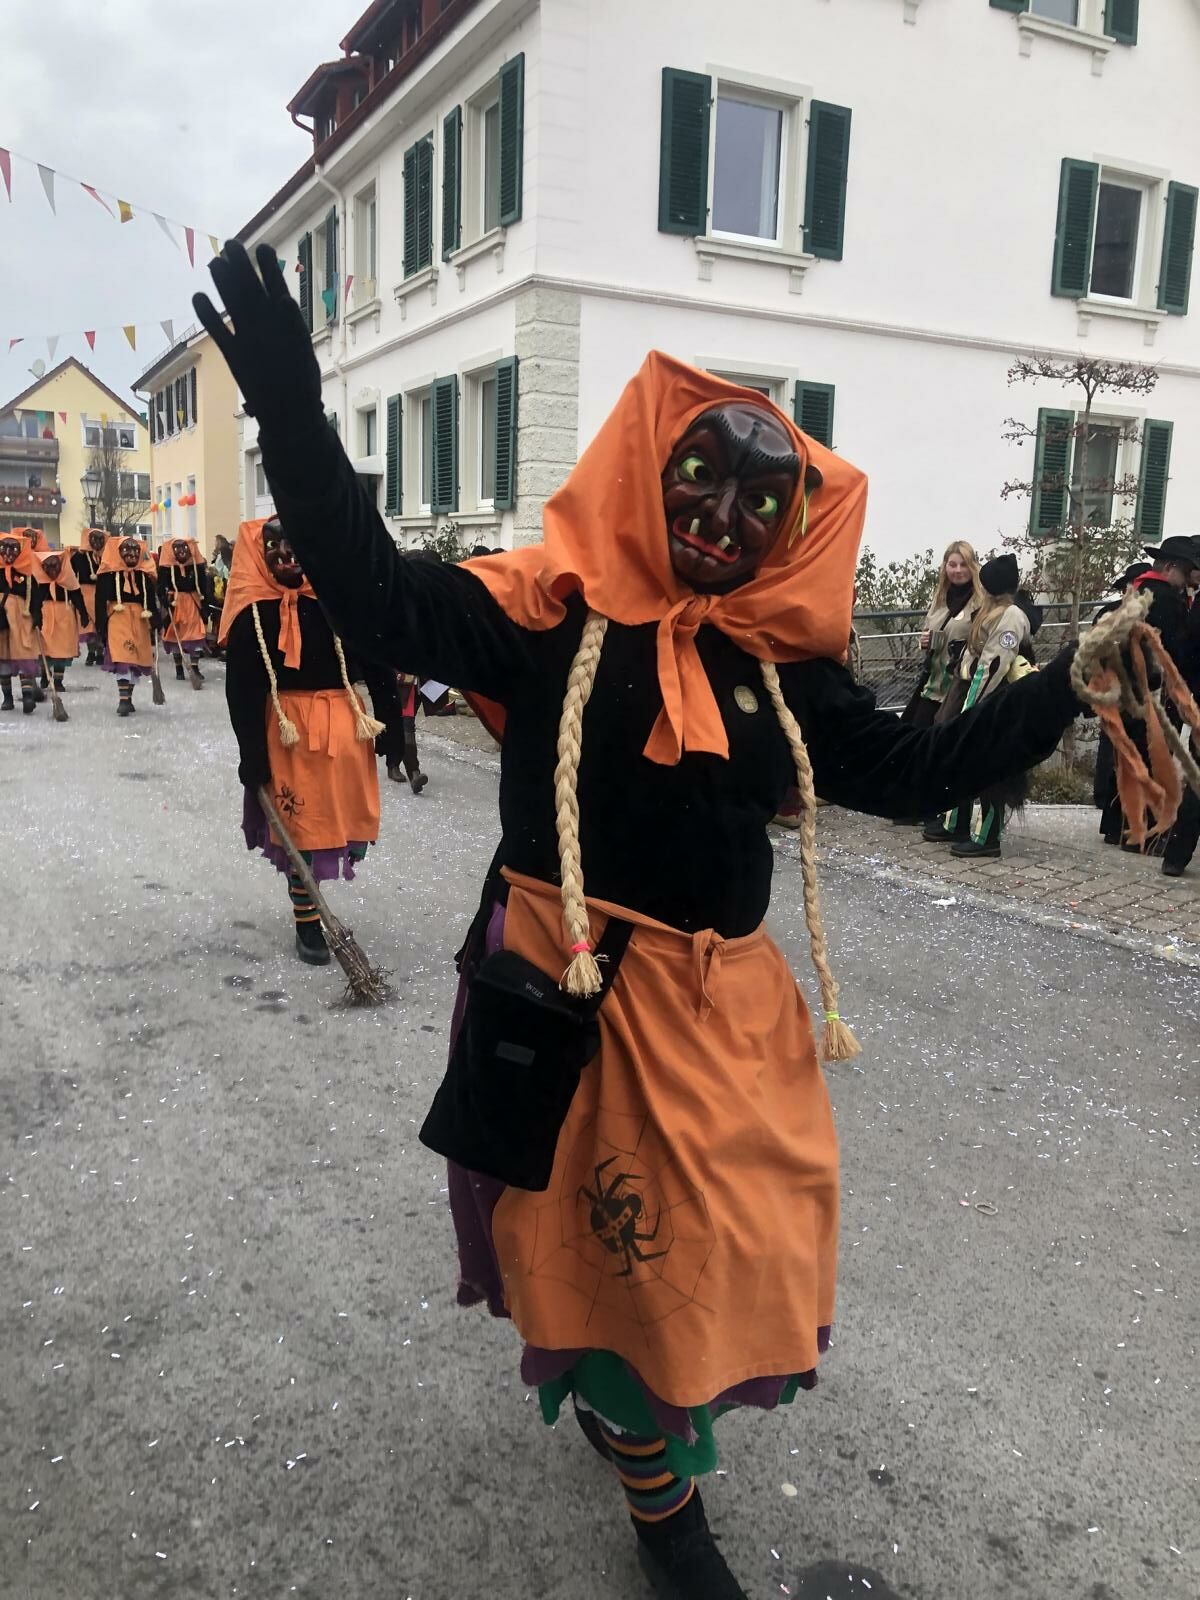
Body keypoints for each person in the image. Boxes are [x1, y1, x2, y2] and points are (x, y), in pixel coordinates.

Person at [196, 244, 1091, 1600]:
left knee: (734, 1246)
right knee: (617, 1267)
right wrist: (291, 416)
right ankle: (664, 1509)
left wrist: (1069, 682)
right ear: (645, 467)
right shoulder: (543, 612)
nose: (725, 515)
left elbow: (918, 770)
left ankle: (635, 1416)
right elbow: (377, 594)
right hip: (570, 1005)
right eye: (701, 475)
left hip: (723, 1027)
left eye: (761, 497)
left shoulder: (778, 669)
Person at [219, 516, 384, 966]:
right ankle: (308, 921)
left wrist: (389, 714)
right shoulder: (255, 613)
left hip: (343, 730)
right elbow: (242, 689)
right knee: (302, 830)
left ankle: (313, 900)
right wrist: (252, 754)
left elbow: (374, 654)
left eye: (294, 542)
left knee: (336, 826)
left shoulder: (336, 601)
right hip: (288, 734)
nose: (284, 553)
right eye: (272, 545)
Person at [923, 553, 1031, 858]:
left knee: (989, 769)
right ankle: (955, 820)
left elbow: (994, 664)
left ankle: (988, 837)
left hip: (993, 700)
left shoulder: (1011, 616)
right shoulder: (992, 609)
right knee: (960, 759)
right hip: (969, 689)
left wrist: (972, 707)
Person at [1099, 537, 1200, 858]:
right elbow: (1176, 650)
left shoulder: (1138, 590)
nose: (1187, 579)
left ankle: (1116, 827)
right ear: (1171, 568)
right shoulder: (1166, 601)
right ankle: (1139, 834)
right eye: (1186, 571)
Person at [93, 534, 163, 717]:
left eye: (135, 551)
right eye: (127, 551)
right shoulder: (108, 575)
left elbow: (150, 599)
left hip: (139, 618)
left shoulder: (143, 575)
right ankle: (123, 699)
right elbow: (99, 599)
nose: (131, 554)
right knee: (122, 655)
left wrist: (156, 620)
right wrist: (101, 623)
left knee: (135, 659)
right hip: (118, 617)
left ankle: (128, 697)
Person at [31, 548, 88, 695]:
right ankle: (45, 673)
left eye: (54, 565)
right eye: (47, 566)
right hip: (45, 616)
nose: (51, 570)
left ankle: (58, 680)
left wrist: (83, 613)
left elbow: (77, 596)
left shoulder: (68, 579)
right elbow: (34, 601)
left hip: (65, 615)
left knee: (62, 649)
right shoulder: (39, 581)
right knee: (44, 648)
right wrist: (35, 616)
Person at [157, 537, 213, 684]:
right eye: (177, 549)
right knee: (175, 636)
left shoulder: (197, 566)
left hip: (193, 604)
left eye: (184, 548)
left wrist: (205, 604)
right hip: (175, 604)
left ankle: (194, 668)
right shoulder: (167, 568)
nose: (181, 551)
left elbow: (203, 586)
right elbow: (160, 586)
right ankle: (179, 668)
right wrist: (165, 600)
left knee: (196, 634)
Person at [0, 530, 43, 713]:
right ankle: (7, 698)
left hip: (21, 618)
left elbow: (36, 597)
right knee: (3, 656)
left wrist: (37, 616)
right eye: (5, 549)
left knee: (23, 654)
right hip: (1, 618)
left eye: (13, 549)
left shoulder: (27, 573)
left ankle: (27, 697)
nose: (9, 554)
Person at [372, 669, 429, 792]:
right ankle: (403, 768)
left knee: (406, 725)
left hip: (415, 682)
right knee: (398, 724)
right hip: (396, 679)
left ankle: (411, 771)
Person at [71, 528, 108, 665]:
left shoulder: (106, 556)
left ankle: (100, 652)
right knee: (88, 625)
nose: (96, 543)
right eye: (94, 539)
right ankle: (91, 652)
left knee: (101, 622)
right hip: (85, 593)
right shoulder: (79, 556)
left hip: (101, 592)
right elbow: (71, 574)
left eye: (100, 539)